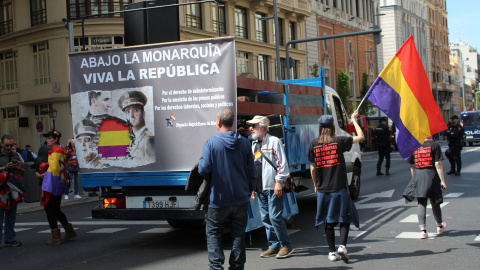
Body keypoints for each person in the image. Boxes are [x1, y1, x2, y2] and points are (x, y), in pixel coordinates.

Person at [198, 109, 257, 270]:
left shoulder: (211, 143)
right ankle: (237, 267)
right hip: (240, 199)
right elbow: (252, 172)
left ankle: (216, 267)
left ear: (218, 122)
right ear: (232, 123)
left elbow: (203, 169)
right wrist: (248, 190)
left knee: (214, 234)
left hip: (217, 199)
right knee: (238, 235)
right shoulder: (245, 143)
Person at [307, 112, 363, 262]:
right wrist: (353, 120)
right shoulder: (339, 141)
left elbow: (312, 168)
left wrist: (315, 185)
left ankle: (332, 252)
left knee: (328, 220)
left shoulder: (313, 144)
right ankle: (342, 247)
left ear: (319, 127)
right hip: (340, 187)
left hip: (323, 189)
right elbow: (361, 137)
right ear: (333, 126)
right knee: (344, 217)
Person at [247, 115, 294, 259]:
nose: (251, 128)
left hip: (273, 187)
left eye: (253, 126)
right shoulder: (255, 144)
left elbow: (282, 164)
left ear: (262, 127)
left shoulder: (274, 141)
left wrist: (279, 182)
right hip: (261, 188)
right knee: (266, 218)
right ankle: (273, 246)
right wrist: (253, 187)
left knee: (275, 217)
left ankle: (286, 245)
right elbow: (256, 166)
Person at [35, 130, 77, 245]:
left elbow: (53, 170)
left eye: (50, 138)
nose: (47, 140)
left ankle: (56, 235)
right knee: (56, 209)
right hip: (59, 182)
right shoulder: (61, 151)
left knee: (49, 208)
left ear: (56, 139)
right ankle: (69, 230)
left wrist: (40, 175)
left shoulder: (55, 151)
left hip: (53, 183)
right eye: (47, 138)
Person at [403, 137, 447, 239]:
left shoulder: (414, 146)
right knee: (435, 201)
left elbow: (412, 166)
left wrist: (415, 179)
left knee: (421, 201)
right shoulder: (434, 145)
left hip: (418, 175)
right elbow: (438, 164)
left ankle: (423, 230)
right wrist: (443, 181)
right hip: (432, 174)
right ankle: (439, 225)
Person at [0, 134, 24, 247]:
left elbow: (23, 172)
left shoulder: (15, 154)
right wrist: (5, 168)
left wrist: (19, 168)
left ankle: (10, 238)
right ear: (1, 144)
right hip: (1, 188)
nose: (9, 147)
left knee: (11, 215)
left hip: (12, 188)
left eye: (11, 145)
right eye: (7, 145)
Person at [118, 90, 155, 163]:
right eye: (128, 111)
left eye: (135, 110)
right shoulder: (130, 139)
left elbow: (153, 167)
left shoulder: (149, 140)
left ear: (143, 114)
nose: (131, 116)